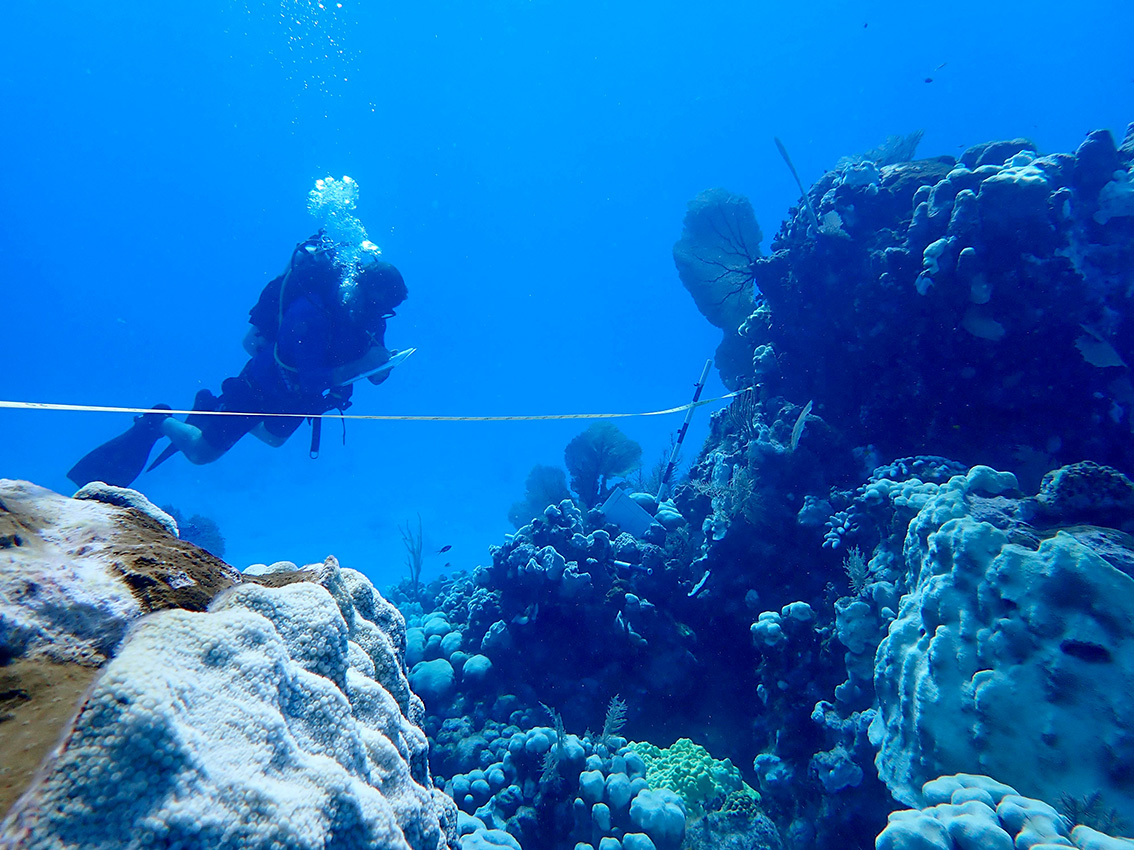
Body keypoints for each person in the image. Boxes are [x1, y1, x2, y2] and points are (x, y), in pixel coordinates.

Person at [67, 232, 408, 489]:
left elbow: (371, 365)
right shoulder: (311, 313)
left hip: (295, 397)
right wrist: (362, 366)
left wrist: (382, 368)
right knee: (201, 454)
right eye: (379, 305)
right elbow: (312, 379)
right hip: (260, 387)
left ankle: (209, 408)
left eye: (388, 310)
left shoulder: (371, 315)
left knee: (274, 438)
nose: (382, 315)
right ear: (361, 289)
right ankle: (159, 420)